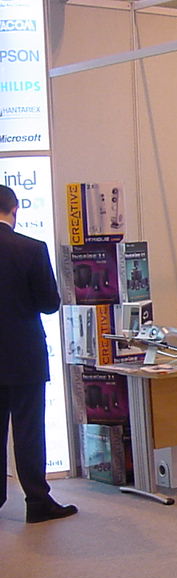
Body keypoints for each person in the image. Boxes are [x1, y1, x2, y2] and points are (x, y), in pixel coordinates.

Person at [0, 184, 77, 524]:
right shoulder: (31, 248)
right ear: (15, 209)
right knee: (29, 430)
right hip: (24, 354)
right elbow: (48, 303)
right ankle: (36, 500)